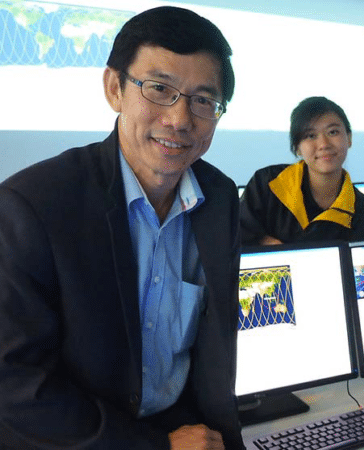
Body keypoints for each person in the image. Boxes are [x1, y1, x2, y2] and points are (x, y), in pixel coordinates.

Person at [0, 6, 244, 449]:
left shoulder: (220, 199)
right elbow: (15, 384)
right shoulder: (32, 205)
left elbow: (212, 354)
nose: (179, 119)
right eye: (159, 89)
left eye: (203, 100)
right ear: (115, 88)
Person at [239, 96, 364, 246]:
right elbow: (235, 235)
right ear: (297, 148)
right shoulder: (267, 184)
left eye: (333, 132)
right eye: (310, 135)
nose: (324, 144)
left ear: (349, 138)